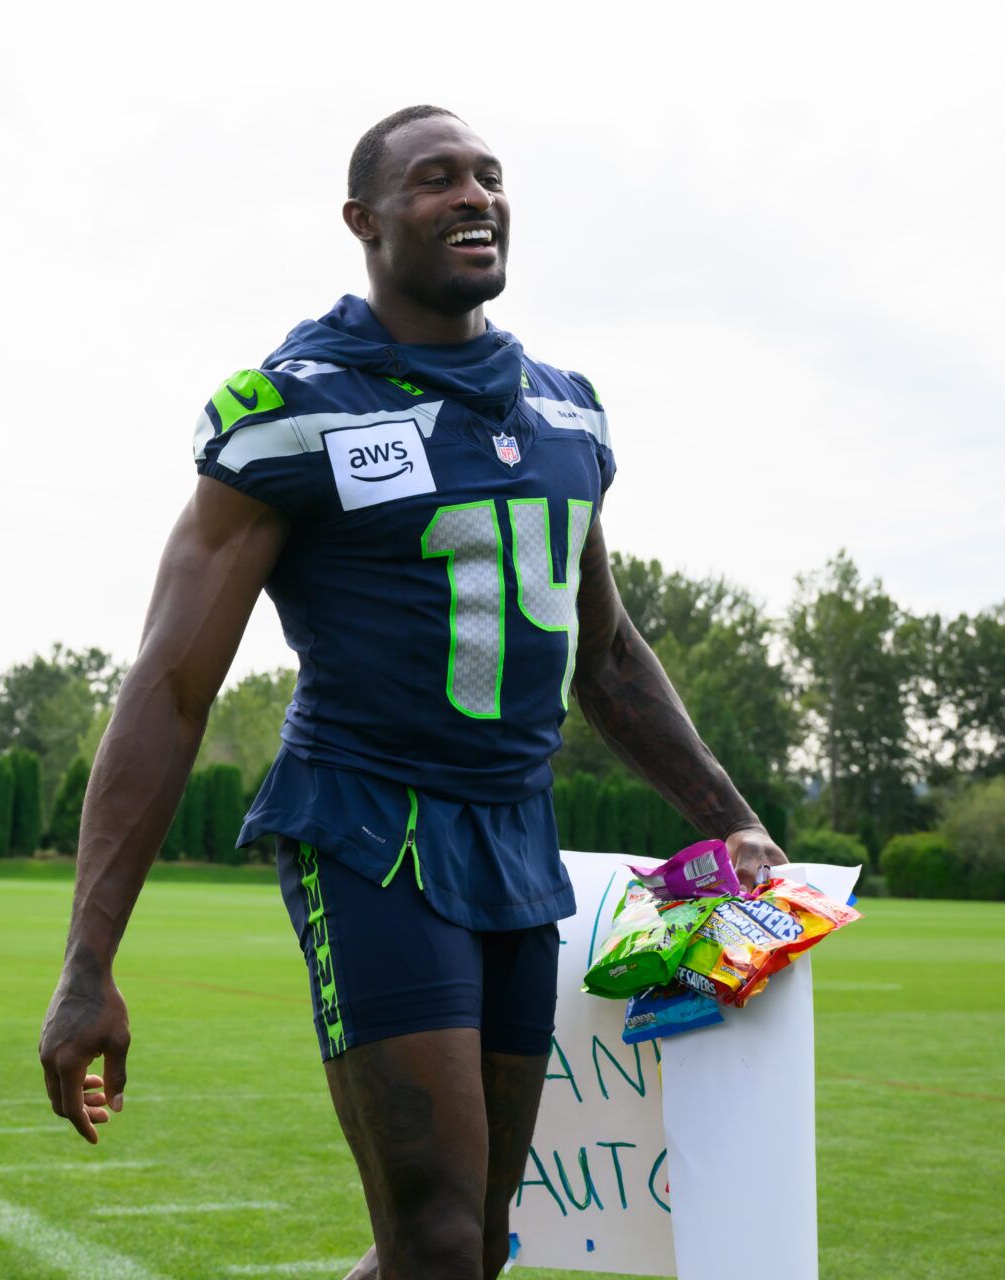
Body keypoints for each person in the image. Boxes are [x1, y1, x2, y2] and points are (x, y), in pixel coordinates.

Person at [38, 105, 788, 1278]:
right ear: (364, 220)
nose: (474, 195)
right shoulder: (296, 405)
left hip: (515, 837)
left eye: (489, 176)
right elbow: (173, 685)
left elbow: (608, 653)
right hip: (371, 824)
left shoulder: (565, 408)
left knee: (476, 1244)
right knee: (434, 1231)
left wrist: (730, 816)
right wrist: (90, 960)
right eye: (437, 179)